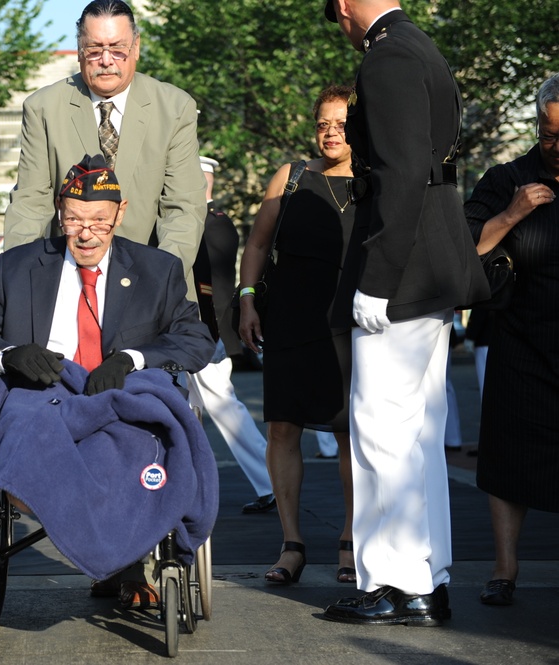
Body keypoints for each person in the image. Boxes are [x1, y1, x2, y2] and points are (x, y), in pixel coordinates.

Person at [0, 153, 215, 608]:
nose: (86, 232)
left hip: (117, 398)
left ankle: (129, 557)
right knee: (13, 431)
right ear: (60, 213)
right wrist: (11, 354)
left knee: (140, 441)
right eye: (74, 219)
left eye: (99, 219)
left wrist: (132, 358)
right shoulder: (19, 266)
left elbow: (195, 341)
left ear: (121, 212)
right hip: (44, 396)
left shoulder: (157, 270)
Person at [322, 0, 489, 626]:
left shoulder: (387, 55)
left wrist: (378, 279)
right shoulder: (421, 45)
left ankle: (392, 583)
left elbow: (400, 176)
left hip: (405, 268)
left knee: (382, 431)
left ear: (343, 7)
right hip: (435, 264)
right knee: (419, 433)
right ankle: (427, 578)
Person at [3, 0, 206, 301]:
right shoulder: (43, 108)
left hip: (154, 286)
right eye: (95, 49)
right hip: (69, 289)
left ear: (136, 48)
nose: (107, 60)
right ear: (79, 51)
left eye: (118, 48)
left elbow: (182, 210)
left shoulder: (176, 108)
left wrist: (158, 281)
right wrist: (18, 282)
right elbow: (30, 206)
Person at [237, 84, 357, 586]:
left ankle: (351, 543)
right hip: (289, 317)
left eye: (342, 124)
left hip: (349, 322)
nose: (330, 132)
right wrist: (246, 298)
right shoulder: (290, 177)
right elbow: (259, 243)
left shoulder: (376, 180)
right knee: (283, 428)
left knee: (351, 432)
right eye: (323, 123)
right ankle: (292, 545)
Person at [464, 73, 559, 607]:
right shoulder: (508, 178)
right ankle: (504, 567)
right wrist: (512, 214)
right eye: (549, 136)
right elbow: (462, 248)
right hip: (522, 338)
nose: (558, 148)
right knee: (508, 456)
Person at [186, 156, 274, 514]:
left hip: (205, 330)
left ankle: (271, 481)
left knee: (224, 407)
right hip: (197, 329)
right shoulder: (205, 221)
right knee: (193, 408)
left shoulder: (211, 223)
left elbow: (211, 283)